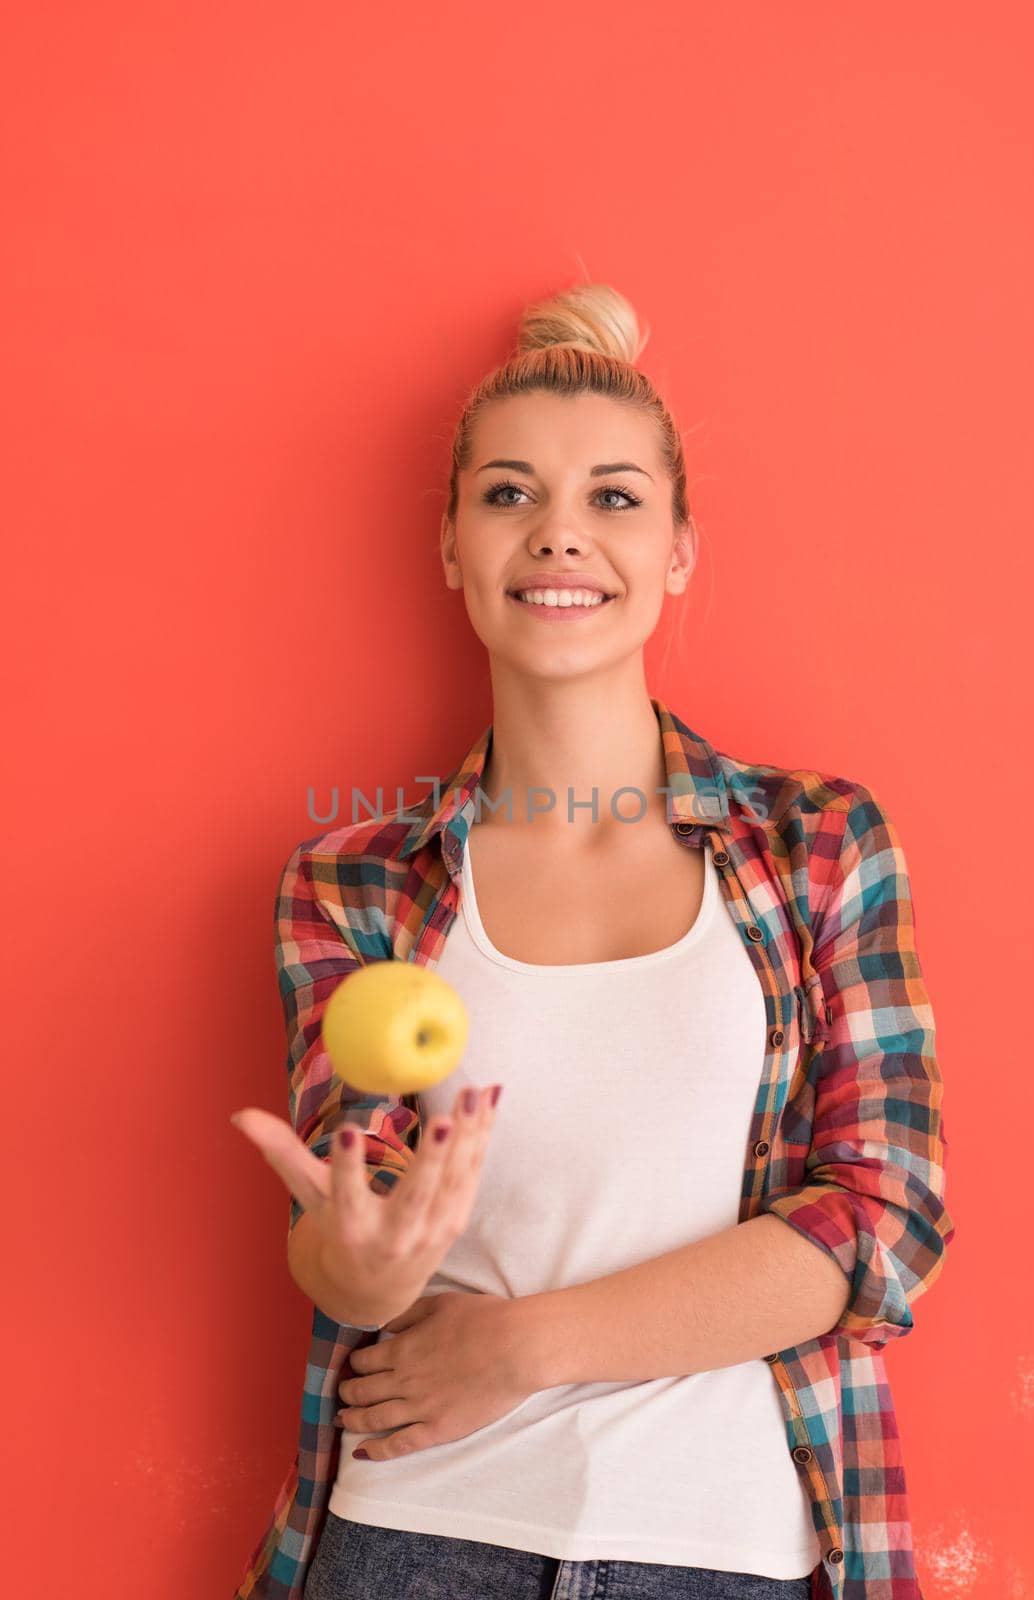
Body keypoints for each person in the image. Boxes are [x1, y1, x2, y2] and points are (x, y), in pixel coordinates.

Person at [230, 283, 954, 1600]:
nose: (559, 535)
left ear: (681, 547)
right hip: (417, 1543)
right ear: (451, 545)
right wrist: (359, 1259)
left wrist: (527, 1347)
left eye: (614, 499)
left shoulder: (820, 847)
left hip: (724, 1551)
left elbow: (880, 1222)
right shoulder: (355, 885)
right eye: (508, 496)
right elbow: (352, 1252)